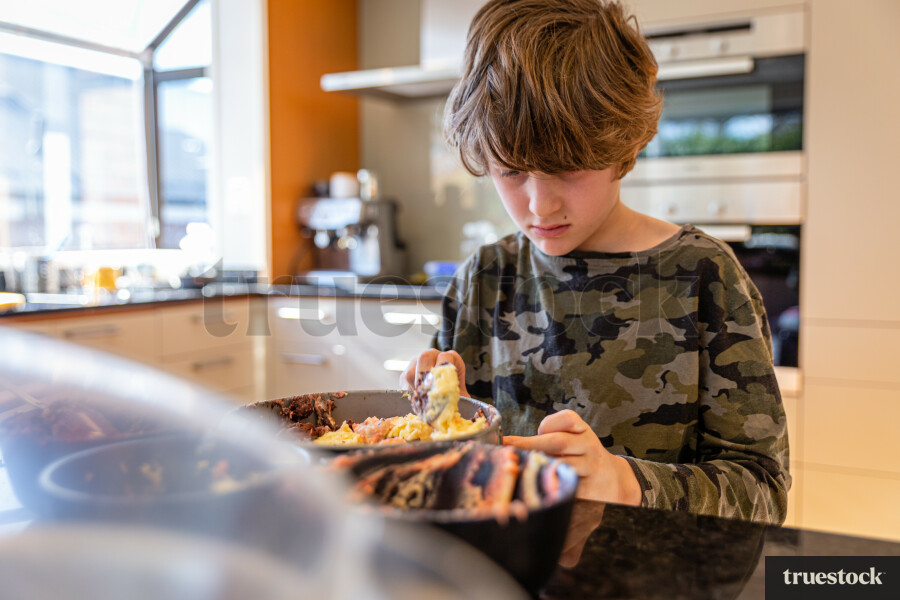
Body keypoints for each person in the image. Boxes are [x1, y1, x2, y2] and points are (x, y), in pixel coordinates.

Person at [400, 0, 790, 524]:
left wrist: (623, 481)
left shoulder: (705, 276)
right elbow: (440, 462)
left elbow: (763, 490)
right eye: (511, 172)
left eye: (568, 168)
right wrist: (436, 410)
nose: (540, 206)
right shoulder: (483, 278)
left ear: (622, 144)